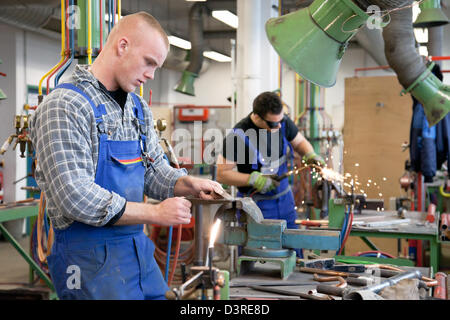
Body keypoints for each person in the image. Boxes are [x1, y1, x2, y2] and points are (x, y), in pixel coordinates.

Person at [29, 12, 223, 300]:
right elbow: (75, 197)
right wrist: (155, 213)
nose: (151, 74)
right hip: (87, 260)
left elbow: (154, 170)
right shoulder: (64, 106)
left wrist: (188, 184)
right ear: (123, 46)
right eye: (149, 62)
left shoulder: (137, 107)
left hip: (135, 250)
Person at [216, 91, 325, 257]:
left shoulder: (281, 122)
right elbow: (222, 174)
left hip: (285, 200)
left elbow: (300, 142)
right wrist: (253, 179)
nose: (279, 126)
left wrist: (310, 155)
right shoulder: (238, 135)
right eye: (274, 124)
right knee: (257, 255)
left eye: (281, 121)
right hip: (256, 206)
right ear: (257, 117)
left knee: (293, 250)